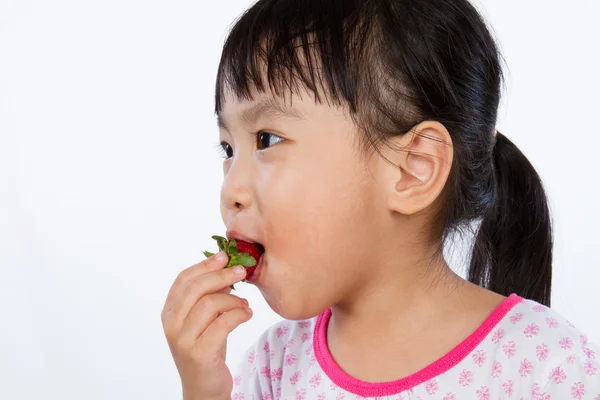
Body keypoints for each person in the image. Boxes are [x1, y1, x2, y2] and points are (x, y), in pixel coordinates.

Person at [161, 0, 600, 398]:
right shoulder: (274, 367)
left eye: (268, 138)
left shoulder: (545, 368)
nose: (230, 191)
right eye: (227, 149)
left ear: (412, 169)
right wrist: (203, 390)